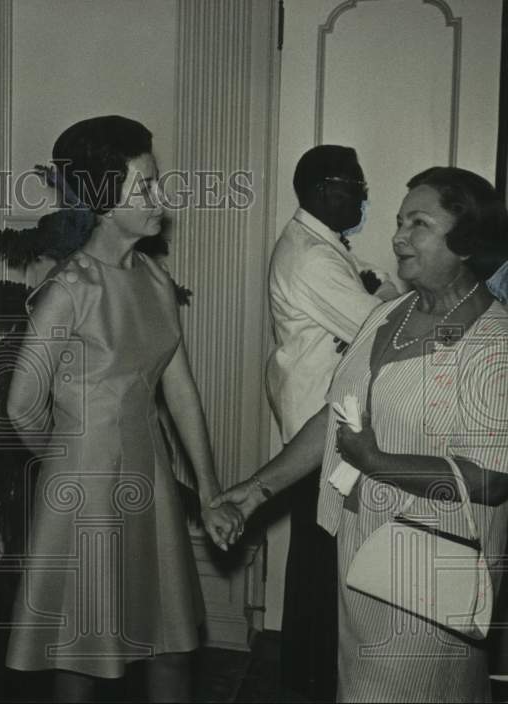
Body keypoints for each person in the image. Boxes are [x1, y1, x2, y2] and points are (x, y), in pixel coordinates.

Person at [216, 166, 508, 702]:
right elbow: (335, 415)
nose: (398, 236)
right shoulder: (389, 316)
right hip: (364, 556)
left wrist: (375, 462)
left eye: (419, 223)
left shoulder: (494, 342)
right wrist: (257, 489)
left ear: (466, 240)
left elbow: (490, 479)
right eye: (400, 221)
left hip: (432, 566)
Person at [3, 115, 242, 702]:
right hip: (87, 490)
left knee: (170, 642)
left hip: (151, 479)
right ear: (104, 201)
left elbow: (179, 391)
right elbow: (22, 405)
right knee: (85, 653)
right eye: (145, 187)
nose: (161, 199)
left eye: (157, 183)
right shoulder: (68, 291)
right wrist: (71, 464)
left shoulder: (154, 280)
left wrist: (208, 491)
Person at [267, 144, 398, 700]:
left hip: (321, 422)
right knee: (321, 566)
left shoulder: (323, 246)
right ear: (326, 189)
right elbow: (383, 324)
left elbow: (377, 288)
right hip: (317, 431)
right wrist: (382, 294)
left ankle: (310, 677)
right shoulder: (312, 257)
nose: (365, 197)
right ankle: (309, 682)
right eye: (358, 186)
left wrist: (379, 289)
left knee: (321, 560)